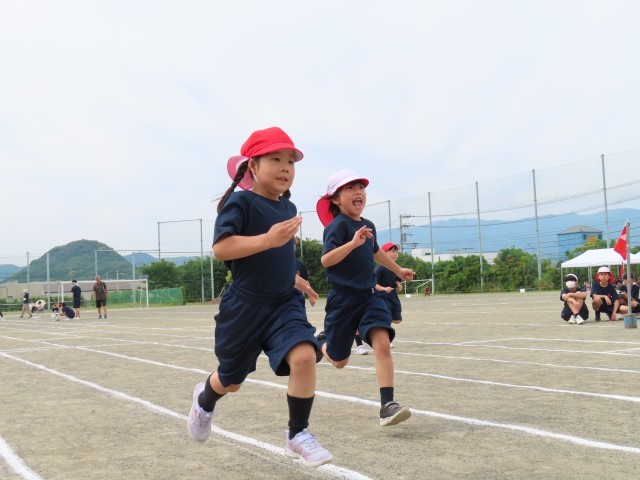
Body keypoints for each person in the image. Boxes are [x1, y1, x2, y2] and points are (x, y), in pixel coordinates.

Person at [187, 126, 331, 467]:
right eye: (275, 159)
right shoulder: (240, 202)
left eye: (290, 162)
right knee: (231, 380)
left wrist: (298, 282)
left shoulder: (288, 207)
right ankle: (205, 399)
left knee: (305, 356)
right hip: (245, 307)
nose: (285, 167)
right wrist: (267, 239)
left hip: (284, 302)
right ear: (252, 166)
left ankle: (297, 434)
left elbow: (279, 258)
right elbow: (222, 248)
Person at [315, 169, 415, 427]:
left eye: (360, 187)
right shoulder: (336, 226)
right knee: (339, 361)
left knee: (381, 342)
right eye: (350, 188)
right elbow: (326, 260)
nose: (358, 191)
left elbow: (375, 252)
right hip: (342, 300)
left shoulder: (367, 225)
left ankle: (387, 406)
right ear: (336, 199)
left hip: (370, 296)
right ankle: (321, 342)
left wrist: (398, 270)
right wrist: (351, 244)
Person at [375, 242, 404, 348]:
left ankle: (377, 323)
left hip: (393, 297)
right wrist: (384, 289)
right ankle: (385, 339)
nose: (395, 254)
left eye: (396, 252)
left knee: (397, 320)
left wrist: (398, 284)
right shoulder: (380, 268)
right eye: (392, 251)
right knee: (386, 318)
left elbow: (396, 279)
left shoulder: (396, 268)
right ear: (383, 254)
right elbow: (373, 283)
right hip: (381, 297)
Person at [294, 237, 316, 307]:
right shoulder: (275, 263)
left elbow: (306, 282)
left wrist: (311, 296)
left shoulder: (299, 264)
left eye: (293, 244)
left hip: (296, 300)